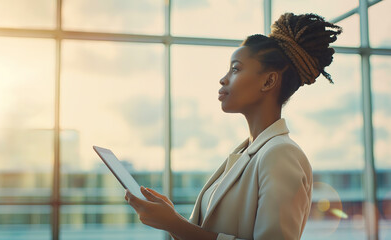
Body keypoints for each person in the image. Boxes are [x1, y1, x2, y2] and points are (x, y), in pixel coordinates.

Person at [124, 12, 342, 240]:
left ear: (268, 81)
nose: (223, 79)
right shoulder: (247, 151)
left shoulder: (280, 154)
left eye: (235, 69)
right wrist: (171, 220)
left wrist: (176, 225)